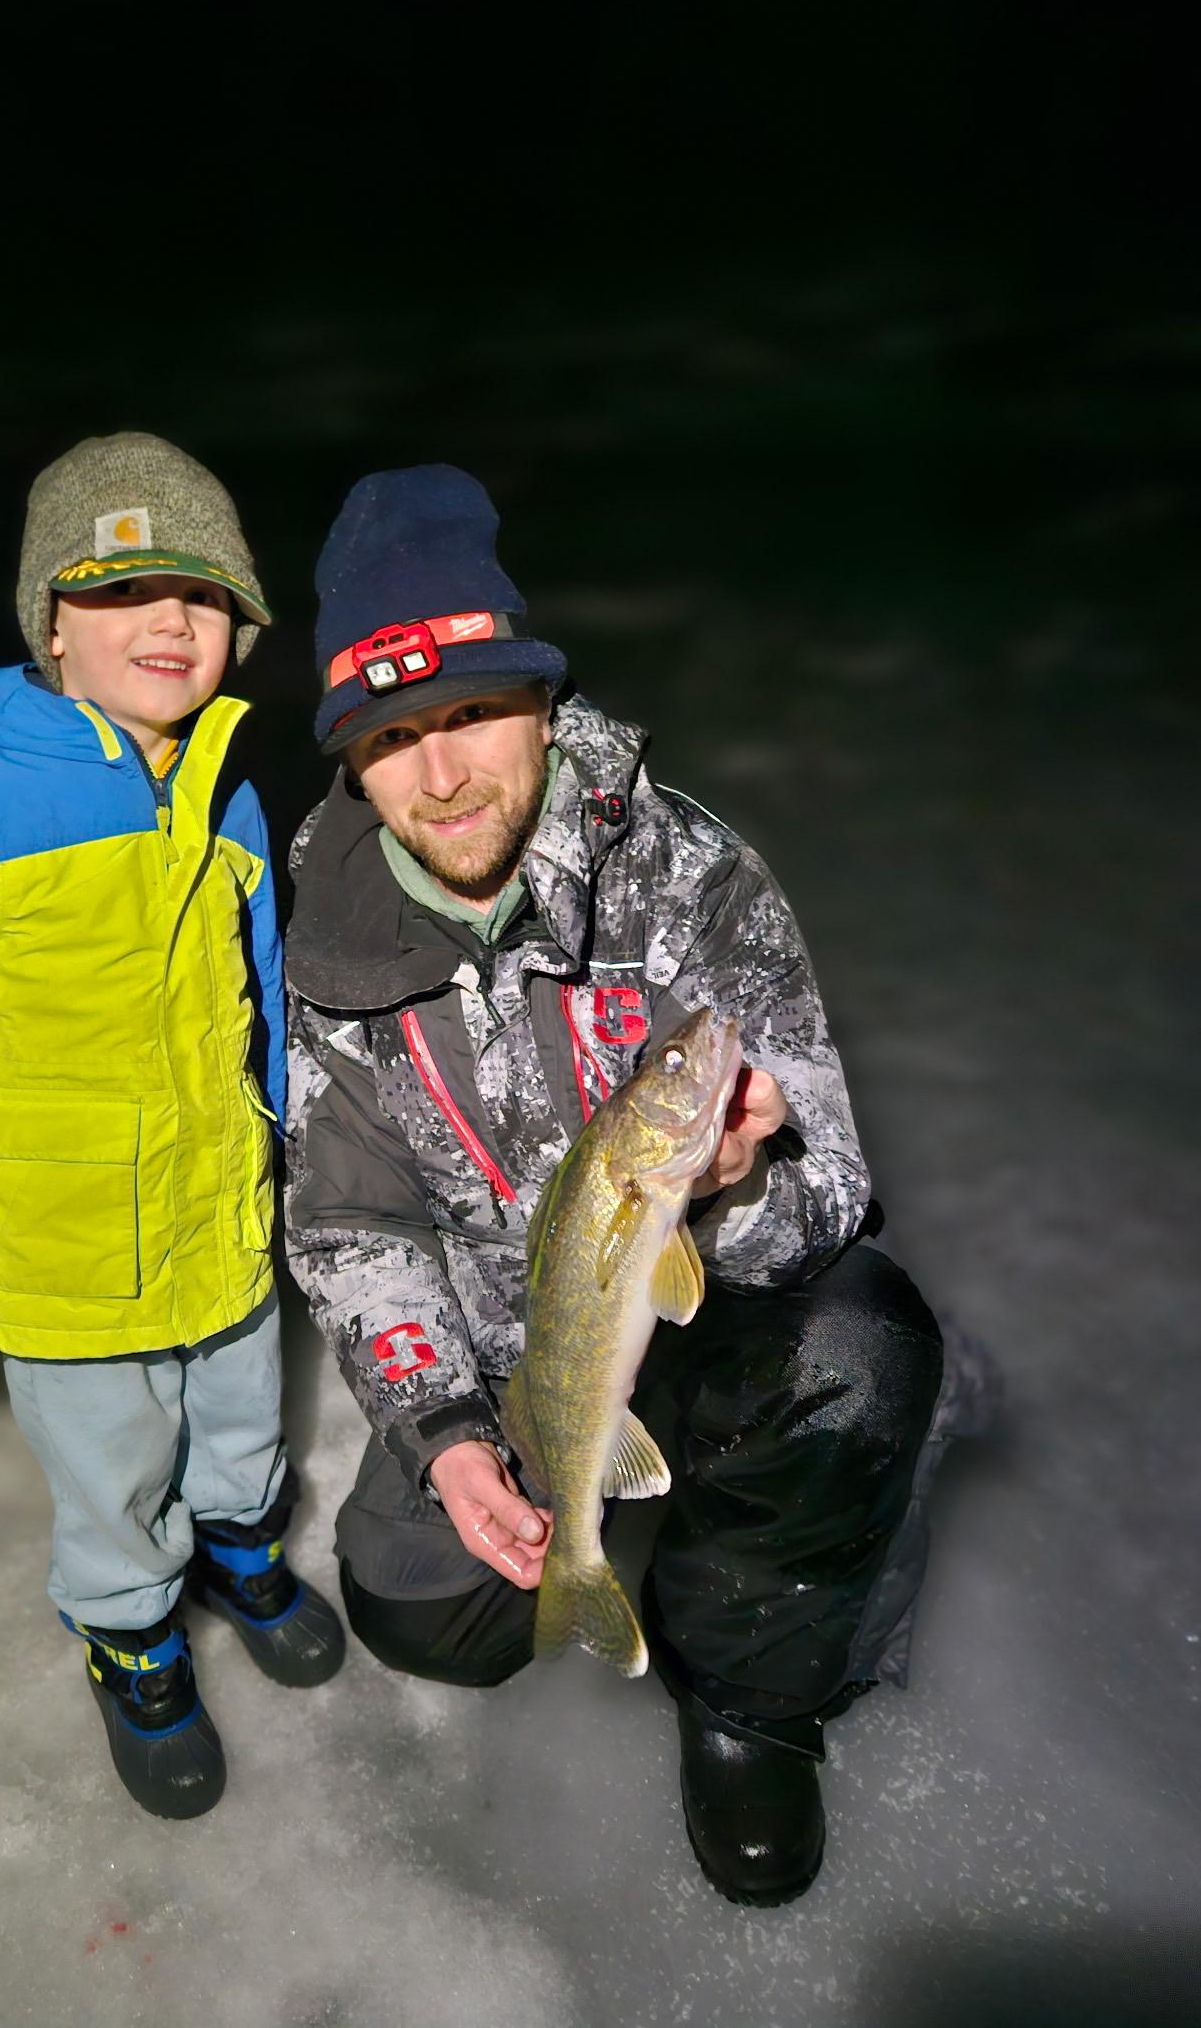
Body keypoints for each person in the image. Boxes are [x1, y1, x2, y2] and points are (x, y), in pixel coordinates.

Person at [283, 464, 946, 1905]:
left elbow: (834, 1190)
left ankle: (744, 1693)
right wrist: (450, 1431)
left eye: (470, 714)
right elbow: (347, 1228)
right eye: (391, 737)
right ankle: (589, 1519)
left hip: (702, 1313)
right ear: (348, 755)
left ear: (539, 698)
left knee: (859, 1353)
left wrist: (737, 1181)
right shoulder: (325, 939)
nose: (440, 775)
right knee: (426, 1616)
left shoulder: (685, 873)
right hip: (513, 1345)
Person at [0, 431, 343, 1823]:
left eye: (202, 595)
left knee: (242, 1397)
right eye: (123, 592)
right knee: (112, 1463)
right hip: (61, 1242)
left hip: (217, 1197)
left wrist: (297, 1125)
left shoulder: (227, 789)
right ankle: (132, 1636)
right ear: (52, 626)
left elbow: (263, 985)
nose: (169, 621)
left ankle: (241, 1546)